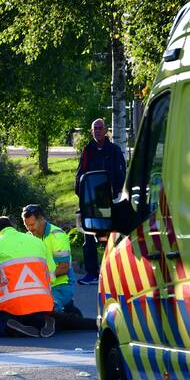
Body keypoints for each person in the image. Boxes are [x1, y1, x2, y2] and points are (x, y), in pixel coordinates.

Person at [0, 216, 56, 338]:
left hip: (12, 306)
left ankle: (11, 328)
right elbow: (52, 276)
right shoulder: (38, 242)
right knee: (35, 318)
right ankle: (45, 322)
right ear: (13, 227)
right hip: (43, 304)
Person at [75, 118, 126, 285]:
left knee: (109, 238)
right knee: (88, 237)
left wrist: (114, 192)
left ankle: (110, 273)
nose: (97, 131)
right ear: (91, 131)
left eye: (100, 128)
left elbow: (121, 175)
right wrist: (82, 195)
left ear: (106, 131)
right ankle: (92, 273)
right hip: (90, 201)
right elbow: (79, 176)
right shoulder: (87, 151)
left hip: (108, 201)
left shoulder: (114, 151)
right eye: (94, 128)